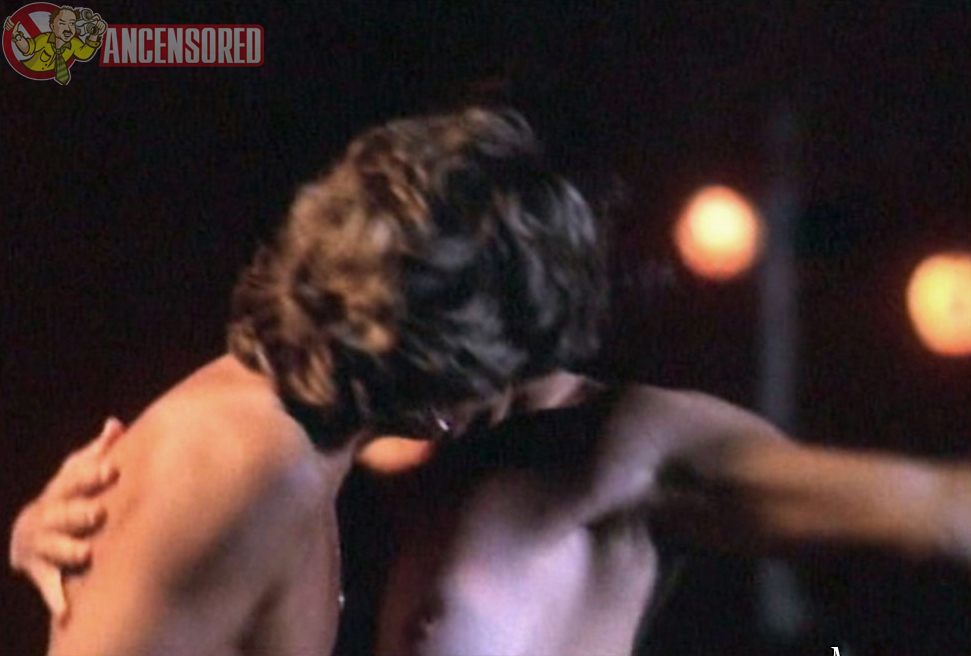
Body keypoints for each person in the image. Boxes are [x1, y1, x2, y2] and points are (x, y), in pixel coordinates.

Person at [12, 110, 971, 655]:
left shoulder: (309, 452)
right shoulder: (244, 460)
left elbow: (940, 512)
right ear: (449, 369)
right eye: (510, 363)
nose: (526, 385)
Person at [8, 107, 609, 656]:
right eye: (508, 367)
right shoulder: (246, 464)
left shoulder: (296, 447)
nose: (506, 400)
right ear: (451, 350)